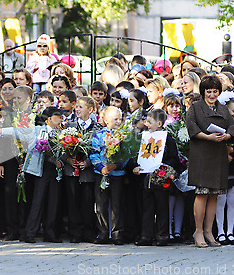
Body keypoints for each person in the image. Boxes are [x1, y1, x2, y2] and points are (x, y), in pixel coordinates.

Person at [0, 106, 67, 243]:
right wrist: (2, 130)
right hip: (41, 170)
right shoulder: (38, 130)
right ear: (49, 119)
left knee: (53, 201)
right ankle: (29, 233)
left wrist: (61, 161)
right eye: (58, 117)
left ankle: (50, 233)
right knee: (37, 202)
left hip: (55, 172)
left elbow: (66, 152)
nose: (61, 120)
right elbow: (20, 131)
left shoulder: (63, 133)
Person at [186, 75, 234, 248]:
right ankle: (198, 231)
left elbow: (232, 126)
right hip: (202, 154)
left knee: (214, 194)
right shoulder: (195, 107)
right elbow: (191, 126)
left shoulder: (223, 108)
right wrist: (208, 137)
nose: (212, 95)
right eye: (209, 91)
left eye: (215, 91)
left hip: (219, 155)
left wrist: (228, 135)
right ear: (203, 92)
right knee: (202, 194)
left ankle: (209, 231)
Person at [132, 109, 180, 246]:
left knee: (162, 207)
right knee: (147, 207)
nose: (146, 124)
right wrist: (135, 166)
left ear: (159, 123)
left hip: (160, 179)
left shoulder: (168, 139)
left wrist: (163, 167)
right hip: (146, 177)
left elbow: (174, 159)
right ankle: (146, 235)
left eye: (150, 122)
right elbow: (136, 155)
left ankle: (162, 235)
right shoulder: (143, 137)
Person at [61, 96, 101, 243]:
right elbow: (61, 146)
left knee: (87, 201)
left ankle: (88, 231)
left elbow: (99, 148)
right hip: (71, 170)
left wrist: (88, 162)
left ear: (90, 110)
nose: (77, 109)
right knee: (73, 201)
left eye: (81, 107)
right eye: (76, 106)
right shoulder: (69, 126)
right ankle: (75, 232)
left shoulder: (97, 128)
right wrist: (68, 159)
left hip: (87, 172)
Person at [90, 107, 126, 245]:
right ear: (106, 120)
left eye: (119, 119)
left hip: (117, 174)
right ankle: (103, 233)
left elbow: (127, 155)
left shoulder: (124, 136)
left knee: (117, 204)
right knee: (101, 204)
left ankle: (117, 233)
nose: (118, 122)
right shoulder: (99, 135)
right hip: (101, 174)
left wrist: (115, 166)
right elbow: (93, 153)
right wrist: (101, 167)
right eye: (115, 119)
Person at [215, 93, 234, 245]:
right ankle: (220, 231)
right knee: (221, 199)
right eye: (233, 111)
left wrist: (233, 151)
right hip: (220, 167)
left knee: (232, 200)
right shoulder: (217, 126)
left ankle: (230, 231)